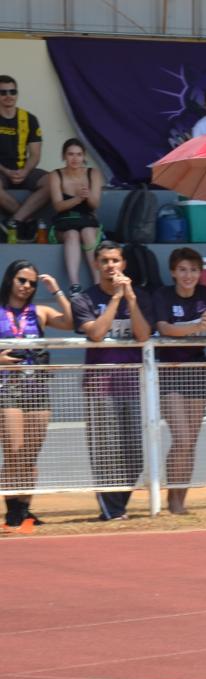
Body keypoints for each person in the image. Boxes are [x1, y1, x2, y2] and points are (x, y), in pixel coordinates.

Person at [72, 242, 153, 521]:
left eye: (116, 261)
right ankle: (112, 510)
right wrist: (115, 299)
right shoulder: (84, 299)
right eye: (105, 261)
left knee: (135, 451)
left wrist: (129, 299)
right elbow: (95, 334)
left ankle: (118, 505)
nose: (111, 266)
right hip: (99, 386)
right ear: (96, 265)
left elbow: (143, 336)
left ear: (124, 264)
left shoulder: (139, 296)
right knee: (106, 450)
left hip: (133, 384)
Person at [152, 247, 206, 514]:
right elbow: (166, 329)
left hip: (197, 373)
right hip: (170, 372)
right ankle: (171, 501)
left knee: (191, 442)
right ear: (173, 271)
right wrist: (197, 327)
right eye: (183, 269)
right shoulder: (162, 295)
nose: (188, 275)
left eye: (194, 270)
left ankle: (180, 502)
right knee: (182, 439)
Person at [0, 259, 72, 530]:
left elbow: (70, 322)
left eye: (31, 282)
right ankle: (12, 513)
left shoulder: (39, 311)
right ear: (10, 279)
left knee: (31, 453)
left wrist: (56, 290)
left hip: (37, 387)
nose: (27, 286)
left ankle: (25, 510)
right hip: (6, 386)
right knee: (14, 451)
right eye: (22, 280)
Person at [43, 139, 101, 290]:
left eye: (79, 154)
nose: (75, 159)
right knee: (72, 234)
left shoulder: (93, 173)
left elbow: (95, 205)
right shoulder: (55, 175)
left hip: (88, 221)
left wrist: (87, 196)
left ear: (84, 156)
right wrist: (77, 199)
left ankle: (98, 282)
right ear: (64, 156)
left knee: (87, 232)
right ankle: (74, 284)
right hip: (64, 222)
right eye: (70, 154)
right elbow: (58, 206)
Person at [0, 74, 49, 237]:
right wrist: (7, 172)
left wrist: (25, 171)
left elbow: (35, 154)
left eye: (12, 92)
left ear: (17, 94)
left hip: (24, 170)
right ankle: (29, 221)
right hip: (2, 172)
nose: (8, 96)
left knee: (53, 181)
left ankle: (15, 220)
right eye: (3, 92)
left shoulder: (29, 119)